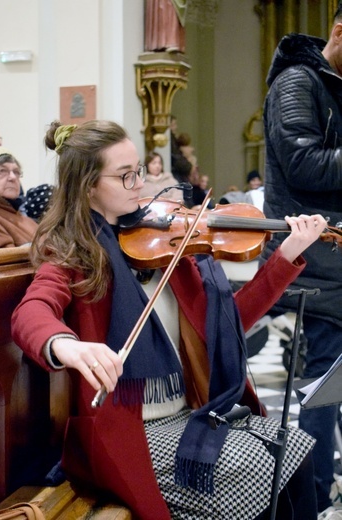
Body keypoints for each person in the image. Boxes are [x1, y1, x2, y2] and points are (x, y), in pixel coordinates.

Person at [11, 119, 327, 520]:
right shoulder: (73, 255)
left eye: (138, 171)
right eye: (125, 177)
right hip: (131, 435)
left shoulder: (166, 247)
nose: (139, 186)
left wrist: (285, 256)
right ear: (88, 185)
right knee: (264, 469)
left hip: (190, 414)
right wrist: (66, 344)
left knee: (297, 452)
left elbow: (227, 326)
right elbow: (31, 312)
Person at [260, 4, 342, 516]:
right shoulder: (296, 81)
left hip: (336, 261)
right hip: (314, 263)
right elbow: (303, 162)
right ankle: (307, 504)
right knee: (321, 393)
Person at [0, 147, 38, 247]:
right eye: (2, 171)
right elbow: (5, 260)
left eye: (16, 171)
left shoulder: (28, 221)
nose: (13, 177)